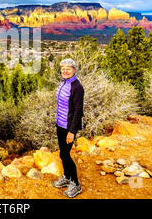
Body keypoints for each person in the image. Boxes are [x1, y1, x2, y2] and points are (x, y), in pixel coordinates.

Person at [51, 58, 84, 198]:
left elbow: (78, 111)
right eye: (63, 68)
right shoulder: (63, 83)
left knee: (65, 155)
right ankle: (66, 177)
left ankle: (75, 184)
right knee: (62, 154)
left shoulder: (77, 87)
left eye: (68, 68)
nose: (65, 71)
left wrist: (72, 131)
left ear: (74, 70)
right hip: (60, 124)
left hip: (68, 127)